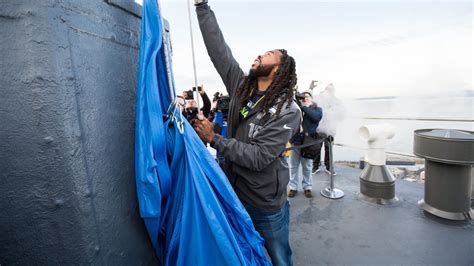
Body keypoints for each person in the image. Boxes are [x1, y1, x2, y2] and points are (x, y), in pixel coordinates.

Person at [192, 1, 301, 265]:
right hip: (234, 191)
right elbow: (219, 51)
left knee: (279, 256)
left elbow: (260, 156)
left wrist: (213, 139)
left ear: (278, 69)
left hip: (265, 203)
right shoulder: (242, 88)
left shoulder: (288, 110)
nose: (259, 55)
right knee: (239, 250)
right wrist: (201, 6)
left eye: (268, 54)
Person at [288, 92, 322, 198]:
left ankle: (307, 187)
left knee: (307, 166)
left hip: (308, 143)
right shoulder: (297, 107)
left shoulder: (317, 109)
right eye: (304, 97)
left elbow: (316, 118)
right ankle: (293, 187)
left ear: (312, 98)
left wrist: (304, 107)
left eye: (308, 97)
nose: (305, 98)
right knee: (293, 166)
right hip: (296, 141)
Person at [312, 83, 346, 174]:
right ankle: (315, 166)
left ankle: (329, 167)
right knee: (316, 148)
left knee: (329, 149)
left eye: (330, 90)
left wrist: (336, 114)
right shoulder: (319, 99)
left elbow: (342, 115)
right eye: (327, 89)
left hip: (331, 129)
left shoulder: (337, 101)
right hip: (319, 128)